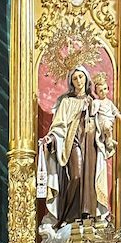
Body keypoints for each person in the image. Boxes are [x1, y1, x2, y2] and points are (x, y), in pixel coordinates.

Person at [41, 65, 111, 226]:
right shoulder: (66, 102)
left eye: (81, 77)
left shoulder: (94, 101)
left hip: (90, 144)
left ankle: (86, 215)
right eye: (75, 78)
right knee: (76, 176)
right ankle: (67, 217)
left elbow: (104, 118)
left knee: (89, 179)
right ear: (71, 82)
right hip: (73, 142)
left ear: (86, 78)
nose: (78, 80)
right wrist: (51, 138)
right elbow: (58, 125)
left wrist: (106, 131)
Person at [91, 73, 121, 152]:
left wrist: (120, 116)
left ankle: (109, 139)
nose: (103, 92)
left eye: (105, 89)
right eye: (100, 91)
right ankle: (109, 140)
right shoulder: (97, 102)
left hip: (110, 119)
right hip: (102, 120)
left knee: (108, 128)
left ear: (108, 89)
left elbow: (114, 111)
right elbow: (92, 112)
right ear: (96, 92)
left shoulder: (109, 102)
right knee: (106, 127)